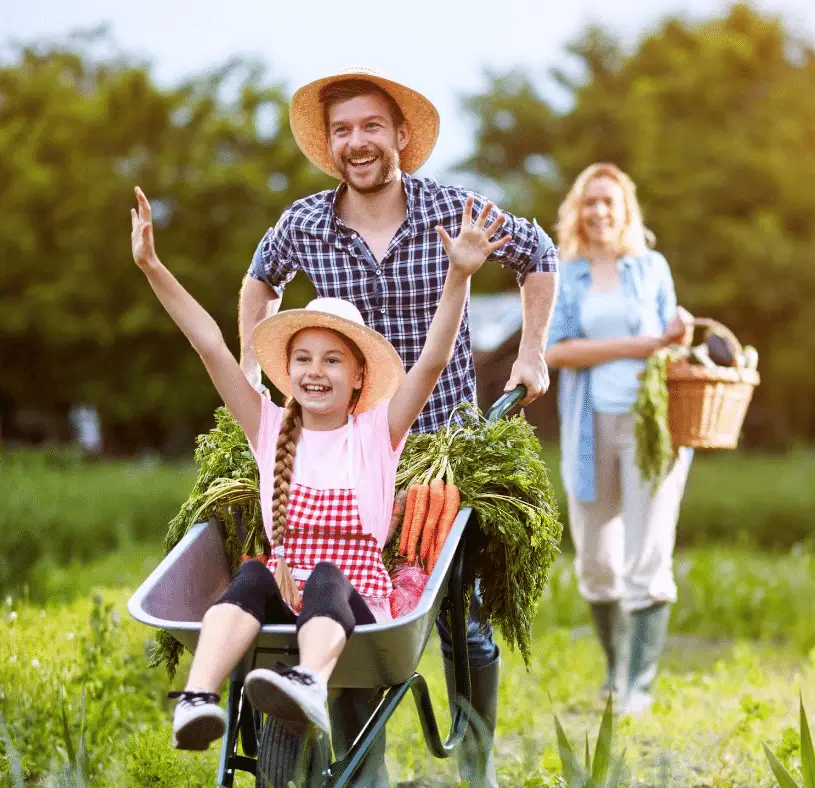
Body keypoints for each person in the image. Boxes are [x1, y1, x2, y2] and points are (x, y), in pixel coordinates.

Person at [239, 67, 558, 786]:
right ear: (331, 144)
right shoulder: (303, 225)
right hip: (337, 454)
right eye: (344, 129)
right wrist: (251, 365)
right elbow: (259, 280)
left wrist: (531, 353)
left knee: (460, 619)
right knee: (343, 600)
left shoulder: (455, 209)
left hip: (441, 456)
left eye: (372, 126)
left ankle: (477, 768)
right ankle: (362, 772)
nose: (358, 142)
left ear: (401, 136)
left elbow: (538, 256)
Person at [128, 185, 509, 750]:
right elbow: (209, 343)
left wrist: (459, 277)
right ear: (286, 369)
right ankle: (197, 700)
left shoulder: (378, 433)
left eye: (333, 360)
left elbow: (432, 359)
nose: (316, 371)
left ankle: (308, 682)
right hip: (286, 599)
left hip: (358, 610)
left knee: (330, 573)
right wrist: (153, 266)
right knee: (253, 573)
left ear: (358, 376)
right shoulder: (269, 429)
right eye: (303, 358)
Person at [545, 163, 694, 715]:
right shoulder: (568, 274)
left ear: (626, 211)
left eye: (610, 202)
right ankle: (616, 669)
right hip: (588, 426)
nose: (599, 211)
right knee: (596, 561)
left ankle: (639, 688)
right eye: (590, 202)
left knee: (647, 555)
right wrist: (639, 344)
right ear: (578, 212)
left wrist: (673, 336)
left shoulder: (650, 268)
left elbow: (669, 347)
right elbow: (554, 350)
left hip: (650, 427)